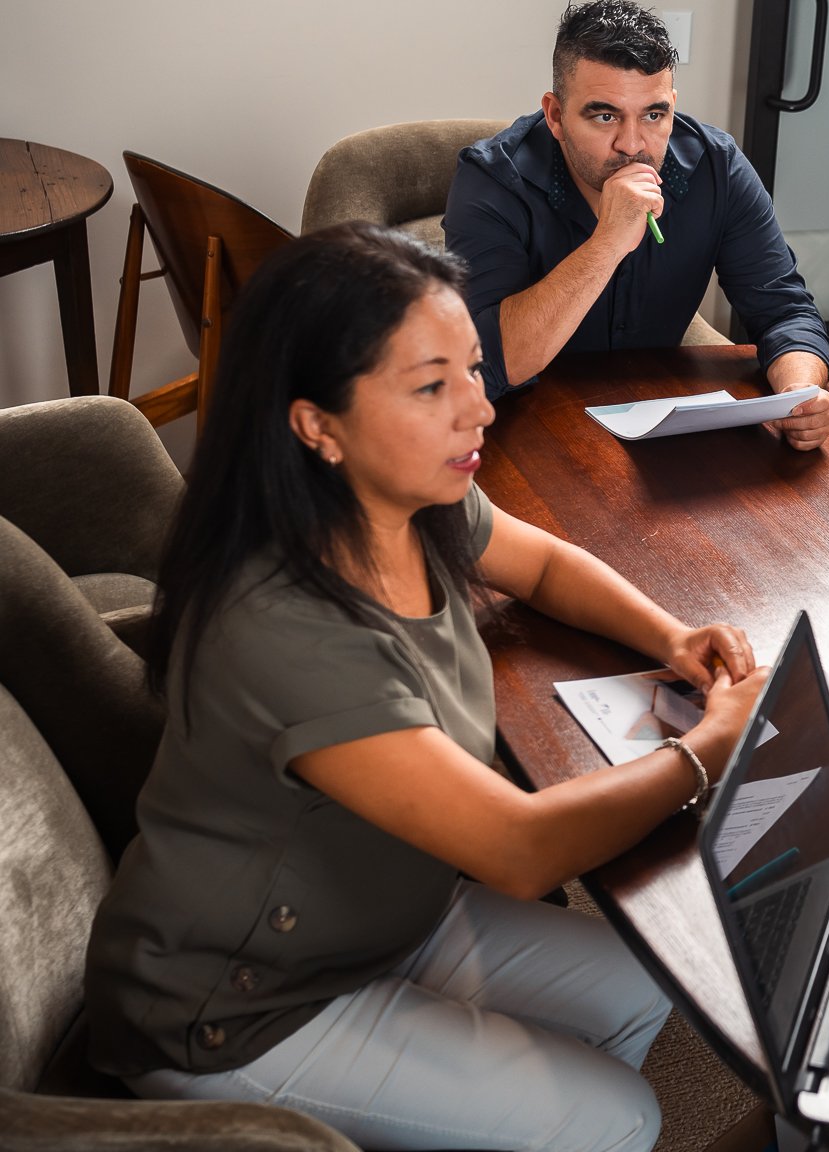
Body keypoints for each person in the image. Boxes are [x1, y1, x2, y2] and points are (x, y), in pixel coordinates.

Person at [84, 223, 768, 1152]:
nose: (477, 411)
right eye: (431, 387)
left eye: (473, 371)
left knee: (655, 978)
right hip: (240, 999)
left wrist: (673, 635)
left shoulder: (417, 499)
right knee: (620, 1118)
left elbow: (548, 566)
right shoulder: (284, 626)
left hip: (386, 912)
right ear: (315, 423)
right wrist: (706, 751)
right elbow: (521, 852)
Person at [444, 0, 829, 449]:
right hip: (520, 434)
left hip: (661, 435)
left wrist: (798, 393)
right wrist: (608, 241)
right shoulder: (493, 179)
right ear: (555, 115)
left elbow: (785, 312)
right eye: (605, 115)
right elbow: (490, 363)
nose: (633, 145)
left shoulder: (717, 167)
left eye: (654, 115)